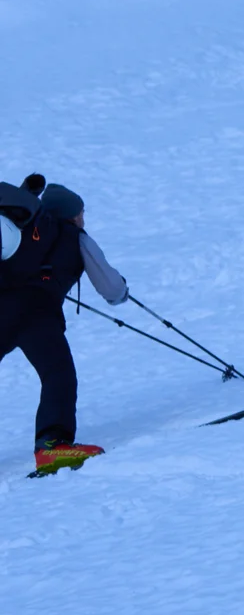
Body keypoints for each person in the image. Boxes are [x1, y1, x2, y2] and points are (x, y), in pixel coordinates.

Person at [0, 177, 129, 474]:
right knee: (57, 373)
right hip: (36, 314)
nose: (83, 218)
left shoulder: (20, 234)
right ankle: (53, 447)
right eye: (81, 213)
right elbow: (111, 289)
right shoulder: (75, 237)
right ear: (72, 214)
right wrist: (122, 292)